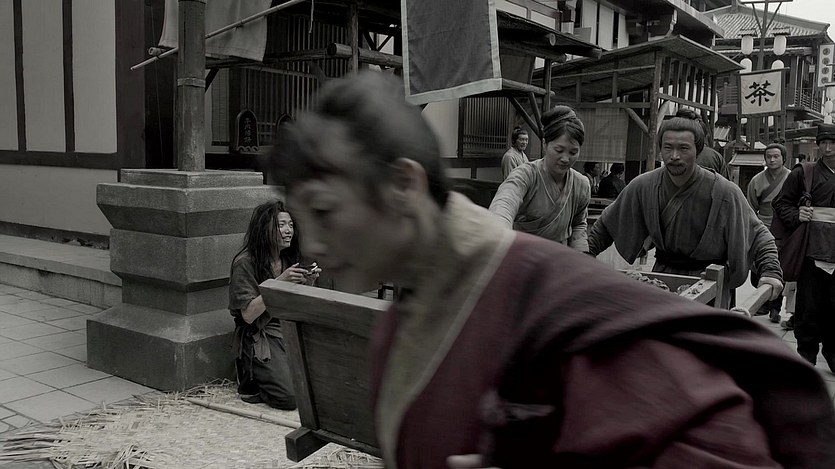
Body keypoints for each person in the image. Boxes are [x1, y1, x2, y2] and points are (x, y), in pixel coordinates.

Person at [272, 72, 835, 469]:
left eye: (324, 211)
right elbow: (577, 225)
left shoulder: (566, 312)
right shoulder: (403, 320)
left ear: (404, 185)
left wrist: (767, 272)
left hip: (668, 279)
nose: (312, 243)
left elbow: (727, 443)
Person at [587, 110, 783, 309]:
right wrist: (585, 255)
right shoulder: (644, 185)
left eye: (683, 148)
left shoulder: (725, 192)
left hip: (711, 282)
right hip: (662, 279)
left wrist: (770, 270)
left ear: (698, 150)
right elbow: (607, 224)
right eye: (668, 148)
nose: (674, 156)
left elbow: (759, 235)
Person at [228, 200, 320, 409]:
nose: (288, 231)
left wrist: (308, 282)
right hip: (260, 335)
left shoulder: (289, 259)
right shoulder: (245, 263)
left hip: (288, 328)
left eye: (291, 225)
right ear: (264, 230)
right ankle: (254, 381)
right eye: (281, 225)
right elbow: (249, 315)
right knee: (290, 398)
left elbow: (300, 306)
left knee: (320, 383)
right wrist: (279, 283)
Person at [772, 123, 835, 371]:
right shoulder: (804, 173)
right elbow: (781, 203)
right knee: (808, 306)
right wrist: (797, 214)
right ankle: (806, 354)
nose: (828, 149)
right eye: (823, 143)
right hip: (811, 250)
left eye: (833, 143)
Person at [488, 106, 590, 251]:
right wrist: (499, 231)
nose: (565, 159)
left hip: (558, 257)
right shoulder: (525, 175)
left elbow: (579, 224)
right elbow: (505, 201)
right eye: (559, 150)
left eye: (573, 152)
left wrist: (581, 255)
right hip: (521, 254)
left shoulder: (581, 184)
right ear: (545, 145)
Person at [746, 143, 791, 323]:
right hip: (762, 225)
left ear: (783, 158)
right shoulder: (756, 180)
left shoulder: (791, 178)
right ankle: (763, 302)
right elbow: (750, 207)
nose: (772, 160)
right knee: (758, 266)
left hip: (784, 227)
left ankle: (775, 307)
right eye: (768, 156)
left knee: (779, 266)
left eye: (776, 156)